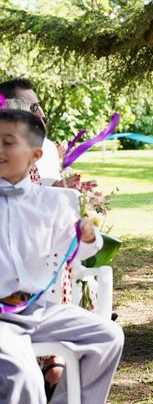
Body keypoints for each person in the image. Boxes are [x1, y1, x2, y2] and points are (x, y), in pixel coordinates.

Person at [0, 109, 124, 403]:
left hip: (37, 309)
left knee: (108, 337)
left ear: (34, 155)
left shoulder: (52, 204)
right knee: (23, 375)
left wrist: (88, 238)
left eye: (8, 142)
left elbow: (74, 253)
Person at [0, 78, 79, 188]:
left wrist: (57, 186)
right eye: (32, 108)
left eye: (38, 106)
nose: (41, 114)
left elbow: (30, 189)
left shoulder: (46, 148)